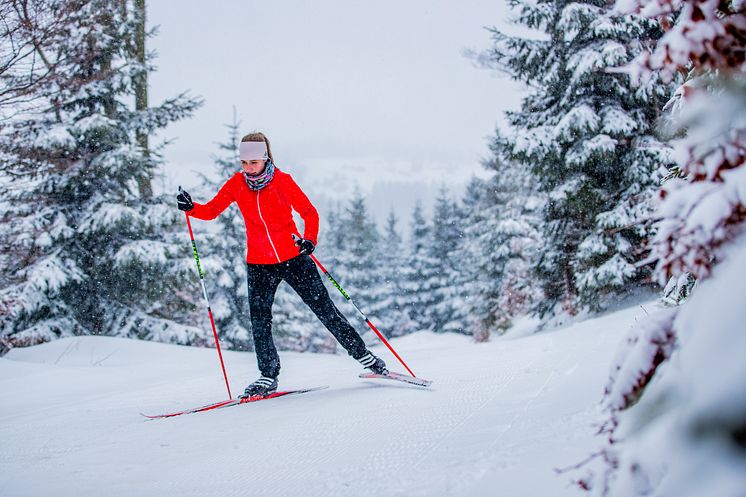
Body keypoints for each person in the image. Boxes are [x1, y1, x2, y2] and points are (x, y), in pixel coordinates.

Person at [176, 132, 388, 398]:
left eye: (254, 162)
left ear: (265, 158)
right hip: (259, 264)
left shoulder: (282, 182)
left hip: (294, 258)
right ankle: (267, 375)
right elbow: (210, 211)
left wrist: (309, 240)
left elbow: (309, 212)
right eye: (244, 163)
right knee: (260, 320)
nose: (249, 168)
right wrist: (191, 207)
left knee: (325, 311)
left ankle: (365, 357)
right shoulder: (236, 184)